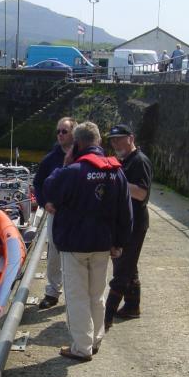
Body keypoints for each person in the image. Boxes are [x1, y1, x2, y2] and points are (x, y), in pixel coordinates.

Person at [44, 122, 133, 361]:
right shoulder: (116, 171)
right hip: (103, 244)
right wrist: (120, 243)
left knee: (77, 297)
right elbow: (126, 212)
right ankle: (95, 340)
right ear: (99, 143)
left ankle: (81, 347)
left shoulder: (73, 171)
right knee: (97, 294)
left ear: (78, 144)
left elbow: (50, 188)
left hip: (75, 244)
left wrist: (64, 164)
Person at [104, 124, 153, 328]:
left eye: (119, 139)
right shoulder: (125, 160)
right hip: (126, 222)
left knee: (122, 270)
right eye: (113, 140)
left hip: (136, 223)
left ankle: (106, 315)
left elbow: (142, 193)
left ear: (131, 138)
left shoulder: (139, 161)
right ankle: (132, 306)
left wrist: (116, 180)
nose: (115, 143)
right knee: (128, 266)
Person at [33, 117, 77, 309]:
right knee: (54, 254)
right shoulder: (50, 159)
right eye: (58, 131)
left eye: (64, 131)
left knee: (77, 255)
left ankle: (74, 294)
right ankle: (52, 292)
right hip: (56, 214)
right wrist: (45, 203)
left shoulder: (83, 155)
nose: (60, 134)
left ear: (74, 133)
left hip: (78, 215)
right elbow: (37, 183)